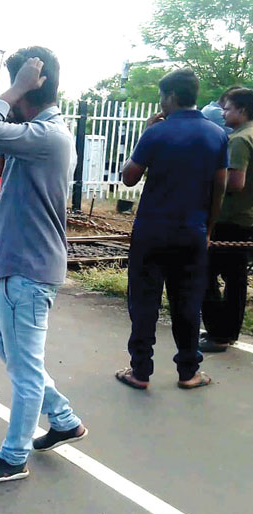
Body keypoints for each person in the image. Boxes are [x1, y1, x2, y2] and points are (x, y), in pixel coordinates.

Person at [0, 47, 87, 484]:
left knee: (26, 367)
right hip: (24, 265)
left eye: (15, 86)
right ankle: (64, 419)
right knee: (9, 350)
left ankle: (13, 457)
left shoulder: (47, 135)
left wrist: (15, 87)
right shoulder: (42, 132)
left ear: (30, 87)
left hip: (30, 270)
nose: (9, 96)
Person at [115, 69, 228, 390]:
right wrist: (208, 229)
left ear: (172, 96)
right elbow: (219, 188)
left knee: (144, 302)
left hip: (151, 232)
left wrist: (145, 134)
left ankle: (140, 372)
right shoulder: (216, 135)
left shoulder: (156, 133)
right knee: (188, 302)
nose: (161, 103)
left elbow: (129, 177)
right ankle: (188, 372)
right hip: (192, 233)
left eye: (162, 96)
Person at [201, 88, 253, 352]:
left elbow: (235, 182)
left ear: (242, 111)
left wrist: (208, 180)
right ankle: (227, 332)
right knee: (235, 279)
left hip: (229, 218)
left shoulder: (239, 140)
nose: (223, 113)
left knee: (205, 274)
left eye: (228, 108)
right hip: (246, 218)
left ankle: (218, 333)